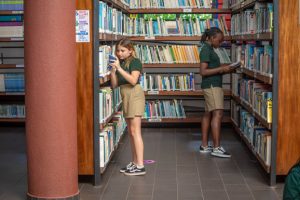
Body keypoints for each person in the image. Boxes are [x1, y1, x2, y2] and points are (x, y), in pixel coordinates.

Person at [109, 38, 146, 176]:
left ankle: (140, 165)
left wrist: (118, 68)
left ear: (130, 50)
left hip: (134, 95)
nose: (119, 53)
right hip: (125, 95)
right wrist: (113, 72)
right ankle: (135, 162)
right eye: (118, 51)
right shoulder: (121, 63)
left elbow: (133, 80)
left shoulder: (135, 62)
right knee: (130, 131)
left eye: (123, 50)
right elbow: (114, 85)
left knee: (136, 131)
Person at [199, 27, 236, 158]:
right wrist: (221, 69)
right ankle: (216, 147)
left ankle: (204, 145)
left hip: (212, 85)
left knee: (208, 113)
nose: (220, 44)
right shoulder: (206, 50)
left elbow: (212, 68)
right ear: (212, 38)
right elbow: (203, 72)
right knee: (218, 113)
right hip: (212, 85)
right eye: (219, 41)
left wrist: (227, 69)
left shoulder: (209, 49)